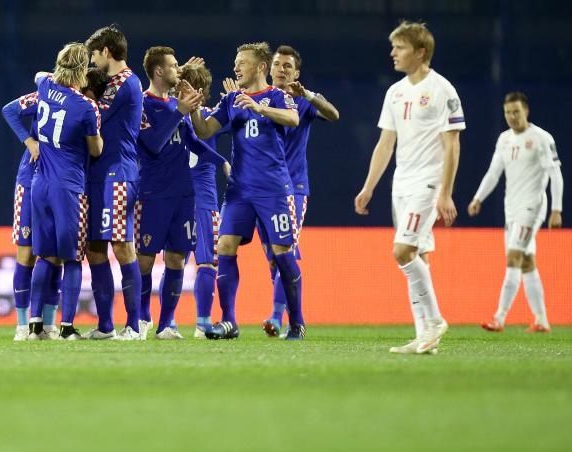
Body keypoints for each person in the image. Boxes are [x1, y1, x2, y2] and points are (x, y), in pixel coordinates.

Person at [354, 21, 465, 354]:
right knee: (419, 256)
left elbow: (452, 144)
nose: (393, 53)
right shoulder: (395, 92)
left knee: (402, 250)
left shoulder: (442, 89)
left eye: (399, 47)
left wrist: (445, 192)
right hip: (401, 183)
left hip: (428, 183)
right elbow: (385, 143)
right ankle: (424, 337)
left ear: (420, 52)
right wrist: (369, 186)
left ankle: (434, 321)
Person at [189, 42, 302, 340]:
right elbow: (204, 131)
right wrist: (192, 110)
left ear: (261, 67)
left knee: (282, 255)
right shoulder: (231, 101)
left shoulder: (277, 95)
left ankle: (297, 322)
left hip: (274, 190)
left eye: (242, 62)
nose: (236, 67)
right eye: (235, 62)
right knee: (224, 247)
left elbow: (294, 119)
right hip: (239, 190)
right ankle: (229, 321)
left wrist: (259, 107)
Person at [137, 47, 229, 339]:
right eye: (174, 66)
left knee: (177, 259)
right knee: (145, 260)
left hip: (183, 196)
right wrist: (179, 111)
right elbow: (152, 143)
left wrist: (222, 161)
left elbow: (192, 140)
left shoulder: (178, 108)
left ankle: (166, 325)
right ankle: (139, 318)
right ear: (159, 71)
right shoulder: (141, 104)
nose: (179, 70)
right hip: (152, 193)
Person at [256, 45, 340, 338]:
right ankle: (295, 322)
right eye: (278, 64)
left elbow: (333, 114)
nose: (282, 69)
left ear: (297, 73)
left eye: (288, 66)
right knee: (273, 259)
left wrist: (308, 95)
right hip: (262, 190)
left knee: (285, 252)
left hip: (294, 187)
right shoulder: (261, 99)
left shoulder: (302, 102)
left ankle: (280, 318)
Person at [468, 91, 563, 332]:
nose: (512, 117)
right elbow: (493, 172)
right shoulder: (504, 139)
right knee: (527, 262)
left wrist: (556, 209)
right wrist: (478, 197)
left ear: (526, 111)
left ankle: (499, 317)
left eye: (516, 112)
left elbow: (555, 174)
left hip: (532, 207)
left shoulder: (541, 138)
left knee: (512, 258)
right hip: (511, 209)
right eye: (508, 113)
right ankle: (541, 319)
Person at [28, 42, 103, 340]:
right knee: (72, 258)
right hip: (68, 188)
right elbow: (96, 149)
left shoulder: (45, 84)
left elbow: (39, 74)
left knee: (45, 256)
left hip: (40, 184)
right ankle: (67, 327)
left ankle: (34, 326)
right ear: (83, 70)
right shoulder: (87, 106)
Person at [84, 25, 144, 340]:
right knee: (94, 249)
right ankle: (105, 325)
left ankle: (134, 325)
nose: (93, 63)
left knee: (122, 246)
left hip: (118, 175)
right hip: (96, 175)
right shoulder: (111, 83)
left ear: (106, 52)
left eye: (94, 56)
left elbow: (90, 113)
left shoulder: (126, 83)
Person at [1, 90, 61, 341]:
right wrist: (28, 141)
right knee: (26, 254)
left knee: (56, 255)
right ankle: (23, 325)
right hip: (29, 180)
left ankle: (48, 325)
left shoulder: (84, 99)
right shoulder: (46, 93)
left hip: (60, 184)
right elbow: (9, 110)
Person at [178, 62, 228, 338]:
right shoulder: (211, 119)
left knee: (174, 263)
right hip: (204, 201)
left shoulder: (169, 115)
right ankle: (202, 324)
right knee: (206, 262)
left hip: (173, 199)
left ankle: (164, 324)